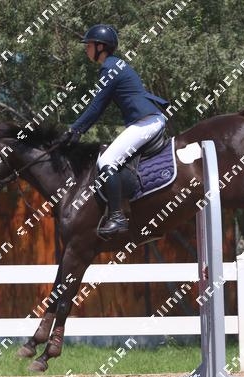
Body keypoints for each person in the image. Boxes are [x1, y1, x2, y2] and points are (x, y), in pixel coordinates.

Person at [64, 24, 169, 237]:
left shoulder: (109, 67)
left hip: (146, 122)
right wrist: (78, 130)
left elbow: (96, 106)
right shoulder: (115, 65)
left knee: (106, 161)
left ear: (100, 47)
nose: (86, 49)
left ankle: (117, 217)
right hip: (147, 119)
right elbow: (100, 105)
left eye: (89, 45)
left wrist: (75, 129)